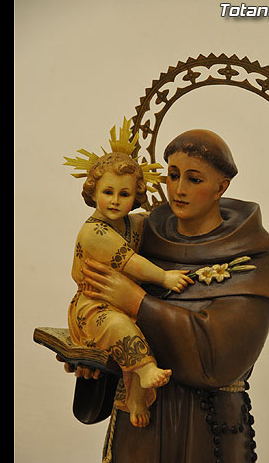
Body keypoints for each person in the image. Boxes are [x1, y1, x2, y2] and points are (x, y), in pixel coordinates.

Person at [62, 129, 269, 463]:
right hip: (140, 422)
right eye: (173, 175)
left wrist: (138, 301)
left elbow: (219, 359)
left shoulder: (253, 265)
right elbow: (102, 312)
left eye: (194, 179)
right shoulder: (142, 239)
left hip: (208, 429)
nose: (178, 189)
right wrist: (96, 359)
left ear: (221, 187)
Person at [64, 127, 194, 428]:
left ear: (135, 196)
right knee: (120, 327)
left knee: (144, 328)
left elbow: (153, 221)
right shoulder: (94, 232)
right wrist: (164, 278)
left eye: (124, 194)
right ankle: (146, 370)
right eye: (107, 192)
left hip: (120, 301)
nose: (115, 201)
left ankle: (135, 398)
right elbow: (133, 264)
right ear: (93, 192)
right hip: (92, 306)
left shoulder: (132, 223)